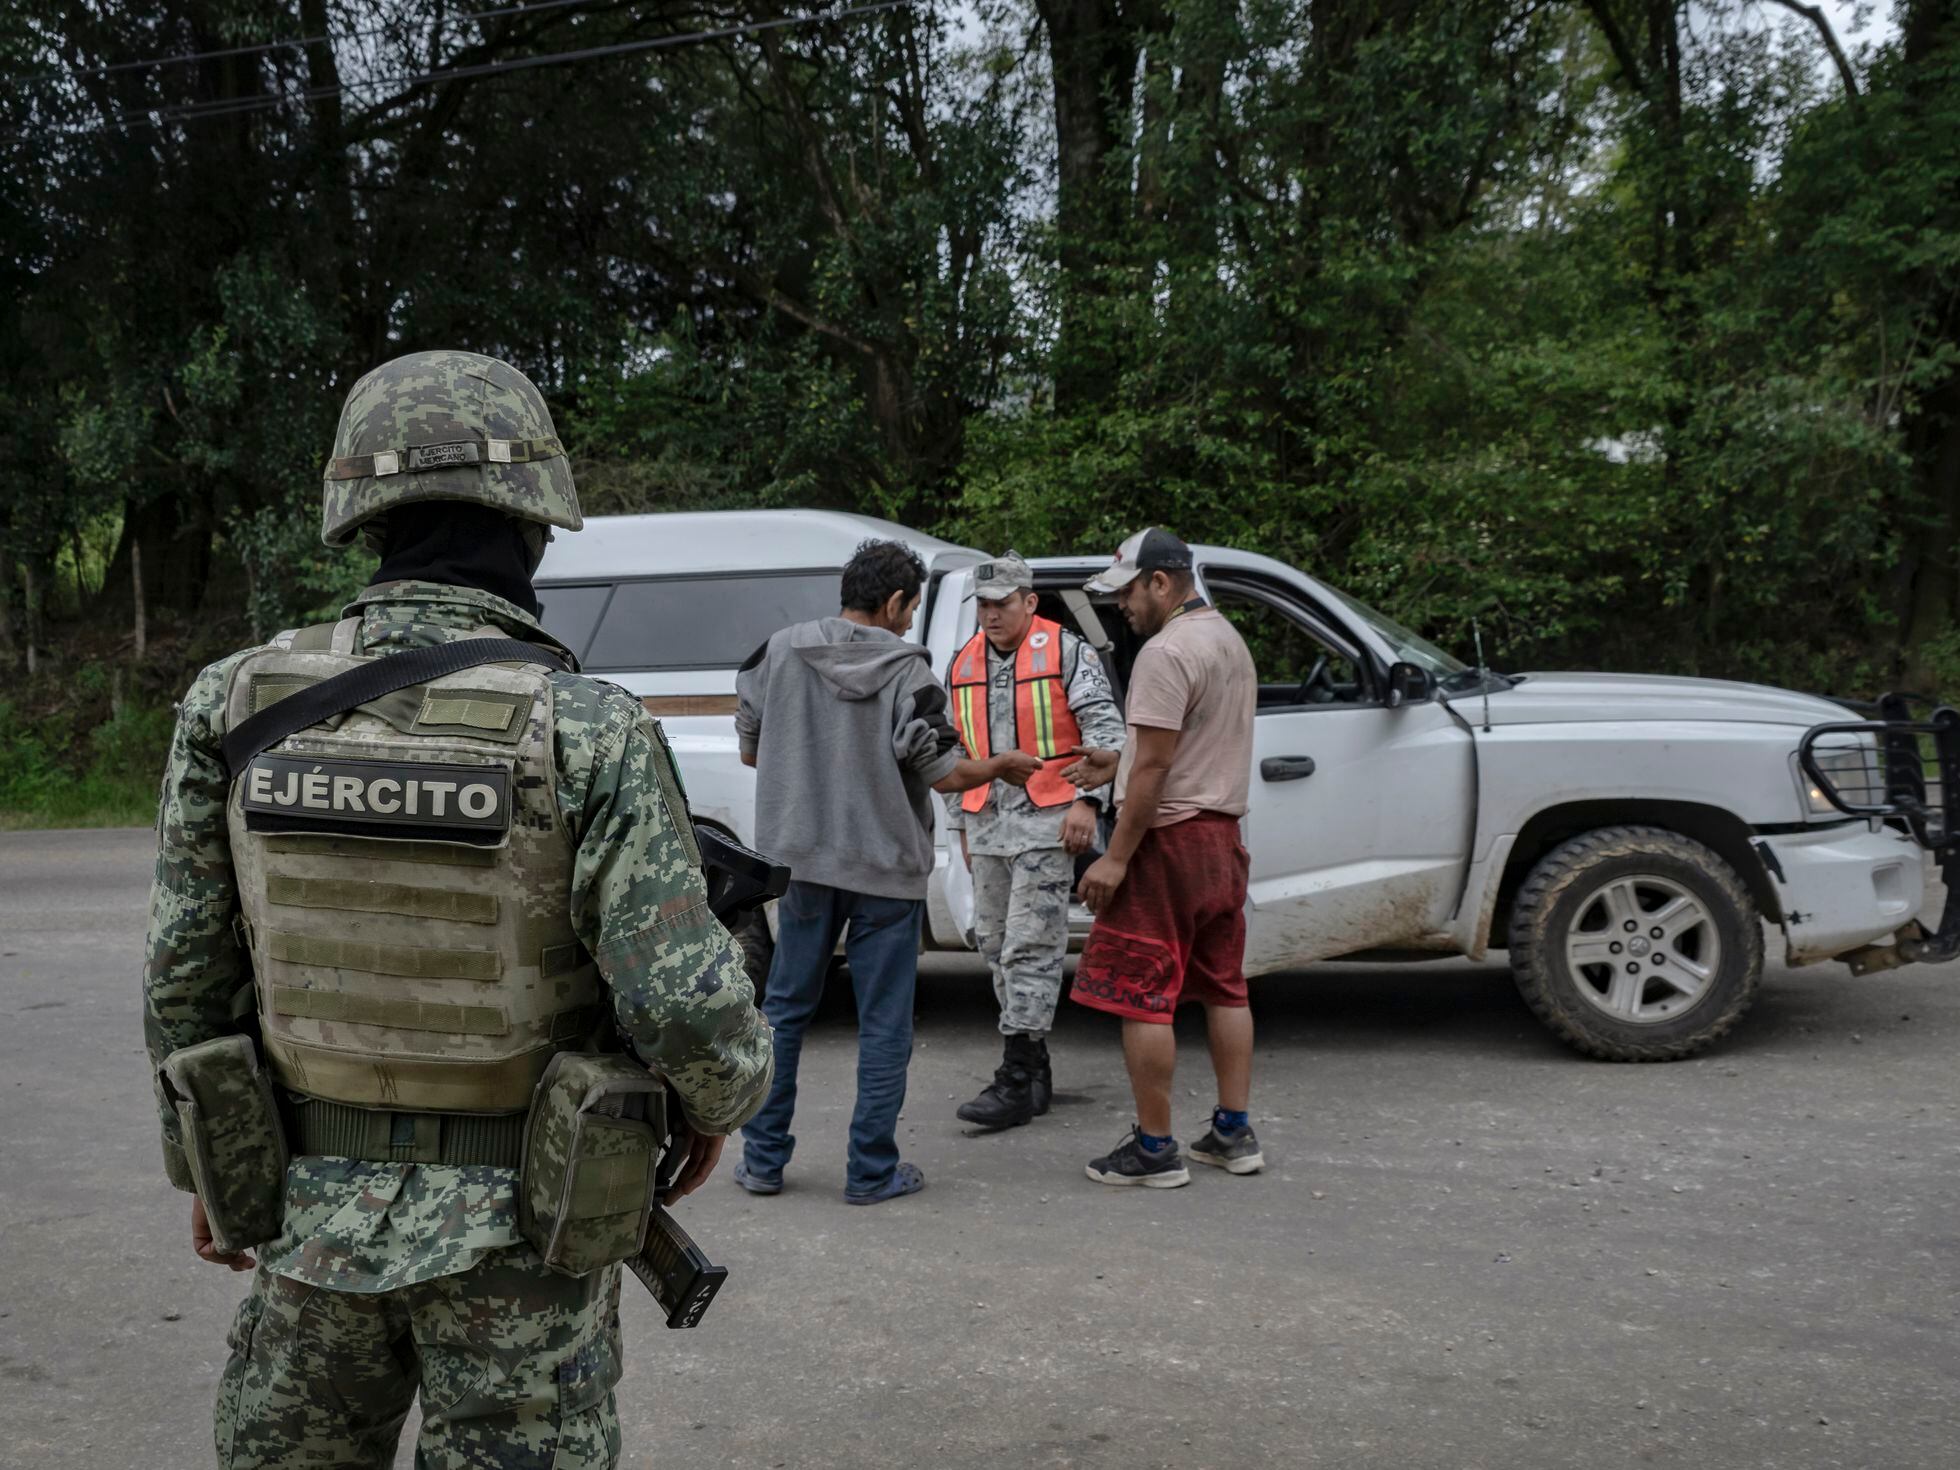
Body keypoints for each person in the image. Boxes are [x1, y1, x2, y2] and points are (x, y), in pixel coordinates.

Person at [142, 349, 775, 1468]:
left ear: (361, 513)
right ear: (536, 521)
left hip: (306, 1219)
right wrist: (722, 1103)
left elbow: (185, 977)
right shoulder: (590, 728)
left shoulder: (230, 705)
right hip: (527, 1232)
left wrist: (209, 1164)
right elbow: (682, 1005)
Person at [734, 540, 1042, 1202]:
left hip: (804, 867)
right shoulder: (911, 673)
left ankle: (762, 1162)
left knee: (785, 1012)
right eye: (911, 609)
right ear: (896, 601)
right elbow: (946, 774)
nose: (909, 623)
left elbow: (753, 751)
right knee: (883, 1026)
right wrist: (998, 766)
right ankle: (870, 1172)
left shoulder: (776, 653)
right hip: (885, 875)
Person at [1064, 527, 1264, 1188]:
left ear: (1160, 582)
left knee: (1143, 997)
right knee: (1226, 987)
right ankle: (1234, 1134)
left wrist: (1116, 858)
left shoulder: (1165, 650)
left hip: (1168, 843)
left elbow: (1155, 767)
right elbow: (1178, 747)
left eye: (1127, 592)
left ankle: (1154, 1149)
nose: (1122, 605)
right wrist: (1114, 764)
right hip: (1222, 841)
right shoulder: (1226, 640)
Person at [943, 551, 1125, 1130]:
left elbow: (1106, 735)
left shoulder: (1069, 652)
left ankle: (1017, 1075)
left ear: (1029, 602)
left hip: (1051, 823)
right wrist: (960, 826)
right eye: (984, 605)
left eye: (1002, 604)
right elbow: (954, 754)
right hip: (988, 824)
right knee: (995, 946)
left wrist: (1087, 803)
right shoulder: (962, 661)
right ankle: (1035, 1067)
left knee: (1031, 946)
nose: (991, 615)